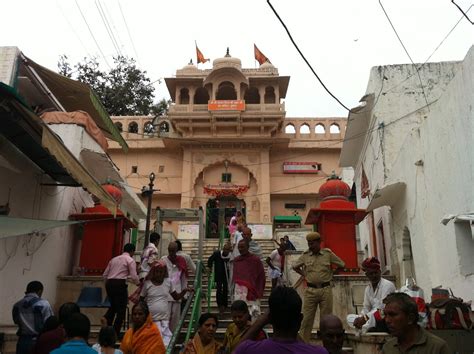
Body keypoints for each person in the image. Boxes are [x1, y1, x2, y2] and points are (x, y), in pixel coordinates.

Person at [234, 286, 328, 354]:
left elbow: (237, 350)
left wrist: (260, 321)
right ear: (300, 320)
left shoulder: (248, 349)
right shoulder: (319, 352)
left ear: (269, 318)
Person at [292, 232, 345, 342]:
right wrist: (304, 274)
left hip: (326, 290)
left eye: (312, 243)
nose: (310, 246)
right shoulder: (305, 255)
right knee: (306, 319)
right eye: (309, 244)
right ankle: (303, 345)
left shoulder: (327, 254)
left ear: (319, 243)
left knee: (326, 320)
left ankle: (327, 343)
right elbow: (295, 266)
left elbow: (342, 264)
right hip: (310, 291)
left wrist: (332, 274)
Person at [139, 260, 189, 346]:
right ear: (153, 272)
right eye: (157, 272)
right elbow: (141, 300)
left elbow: (176, 297)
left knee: (165, 344)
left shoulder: (168, 282)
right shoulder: (147, 284)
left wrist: (184, 291)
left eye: (161, 272)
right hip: (150, 321)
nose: (159, 274)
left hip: (164, 320)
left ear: (164, 272)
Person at [382, 293, 450, 354]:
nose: (387, 320)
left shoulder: (436, 347)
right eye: (385, 315)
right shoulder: (388, 348)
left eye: (392, 315)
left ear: (410, 318)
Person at [103, 243, 140, 336]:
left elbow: (105, 275)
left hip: (110, 284)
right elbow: (133, 275)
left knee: (113, 306)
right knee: (121, 310)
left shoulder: (113, 259)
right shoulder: (130, 260)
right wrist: (139, 283)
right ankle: (114, 333)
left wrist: (107, 285)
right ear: (132, 251)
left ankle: (106, 322)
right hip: (120, 284)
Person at [350, 257, 396, 332]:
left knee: (377, 318)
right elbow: (366, 307)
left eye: (376, 272)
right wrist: (361, 317)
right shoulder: (368, 289)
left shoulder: (387, 285)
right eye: (371, 273)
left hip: (384, 317)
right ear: (367, 275)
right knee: (350, 318)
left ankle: (366, 327)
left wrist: (365, 318)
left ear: (380, 272)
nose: (374, 275)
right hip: (370, 318)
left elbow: (381, 308)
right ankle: (365, 326)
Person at [12, 280, 54, 354]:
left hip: (22, 341)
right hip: (37, 341)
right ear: (40, 291)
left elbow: (16, 321)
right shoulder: (44, 303)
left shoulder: (17, 305)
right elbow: (49, 322)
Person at [232, 240, 266, 319]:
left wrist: (258, 290)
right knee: (239, 315)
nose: (240, 249)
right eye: (239, 247)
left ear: (248, 247)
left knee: (253, 316)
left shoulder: (255, 260)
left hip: (252, 292)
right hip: (239, 292)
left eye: (242, 247)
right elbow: (235, 278)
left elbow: (261, 277)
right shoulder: (236, 260)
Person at [161, 241, 188, 332]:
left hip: (177, 293)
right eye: (170, 251)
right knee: (165, 319)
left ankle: (172, 340)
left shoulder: (181, 260)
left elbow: (183, 278)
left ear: (177, 250)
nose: (171, 253)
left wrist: (184, 293)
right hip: (165, 294)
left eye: (173, 251)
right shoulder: (163, 260)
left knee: (175, 320)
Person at [207, 242, 232, 313]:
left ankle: (225, 304)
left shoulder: (231, 256)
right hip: (219, 274)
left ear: (229, 250)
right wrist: (209, 267)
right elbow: (210, 260)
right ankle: (220, 304)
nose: (226, 251)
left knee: (225, 289)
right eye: (225, 249)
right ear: (223, 249)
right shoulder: (217, 254)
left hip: (227, 275)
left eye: (227, 250)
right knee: (219, 289)